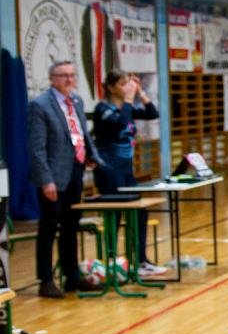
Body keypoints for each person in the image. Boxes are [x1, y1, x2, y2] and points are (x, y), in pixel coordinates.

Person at [27, 61, 102, 298]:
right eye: (64, 75)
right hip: (53, 177)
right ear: (52, 79)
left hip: (75, 173)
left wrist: (90, 155)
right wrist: (46, 180)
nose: (69, 79)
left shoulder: (76, 101)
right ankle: (45, 280)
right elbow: (36, 148)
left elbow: (79, 133)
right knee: (48, 228)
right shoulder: (40, 105)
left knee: (71, 226)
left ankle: (72, 276)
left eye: (72, 75)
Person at [92, 69, 165, 278]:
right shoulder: (103, 109)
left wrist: (140, 93)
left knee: (139, 213)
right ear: (111, 87)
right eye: (123, 83)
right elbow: (120, 122)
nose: (127, 87)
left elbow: (152, 113)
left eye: (128, 83)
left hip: (126, 170)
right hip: (109, 170)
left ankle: (140, 260)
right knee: (114, 216)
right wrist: (129, 99)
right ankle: (111, 262)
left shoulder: (127, 107)